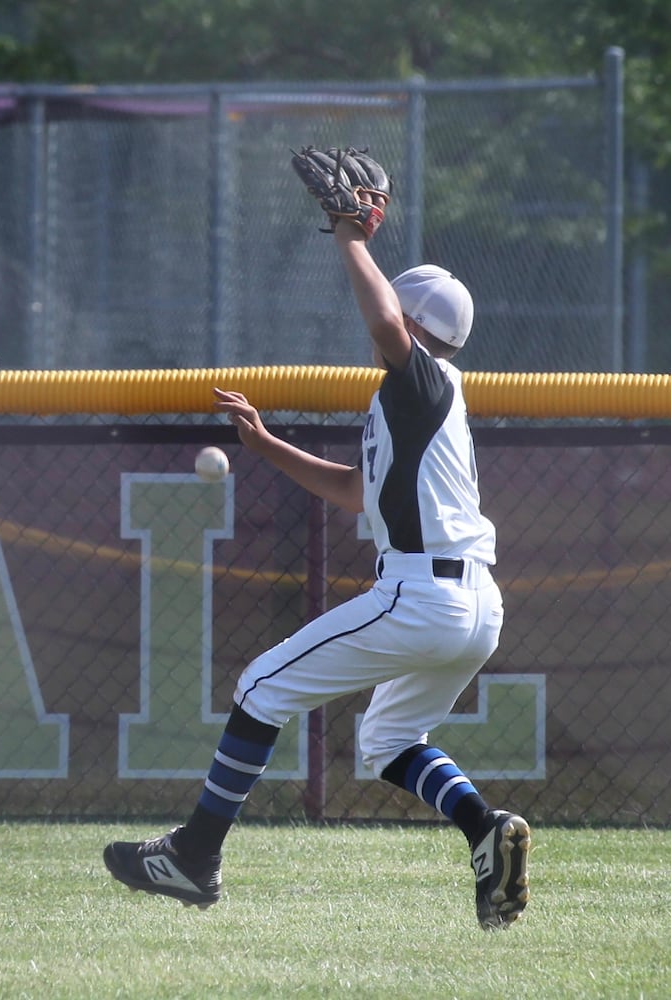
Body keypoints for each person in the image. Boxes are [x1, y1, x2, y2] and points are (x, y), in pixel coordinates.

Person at [102, 204, 532, 931]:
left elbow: (389, 328)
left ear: (417, 326)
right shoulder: (417, 402)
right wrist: (266, 444)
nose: (384, 319)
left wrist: (349, 237)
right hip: (475, 605)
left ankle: (194, 855)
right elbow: (352, 492)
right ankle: (485, 830)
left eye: (398, 310)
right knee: (387, 742)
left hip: (423, 593)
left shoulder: (421, 381)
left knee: (260, 687)